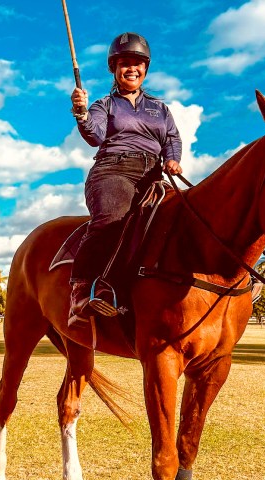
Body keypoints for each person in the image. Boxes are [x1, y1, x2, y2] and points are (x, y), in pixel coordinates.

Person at [68, 32, 183, 322]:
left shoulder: (160, 108)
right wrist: (81, 112)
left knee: (180, 220)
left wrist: (172, 159)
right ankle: (81, 292)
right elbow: (94, 136)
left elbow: (172, 138)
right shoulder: (104, 104)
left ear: (145, 68)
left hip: (153, 176)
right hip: (112, 170)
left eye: (137, 63)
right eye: (124, 63)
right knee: (112, 220)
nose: (131, 68)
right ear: (114, 69)